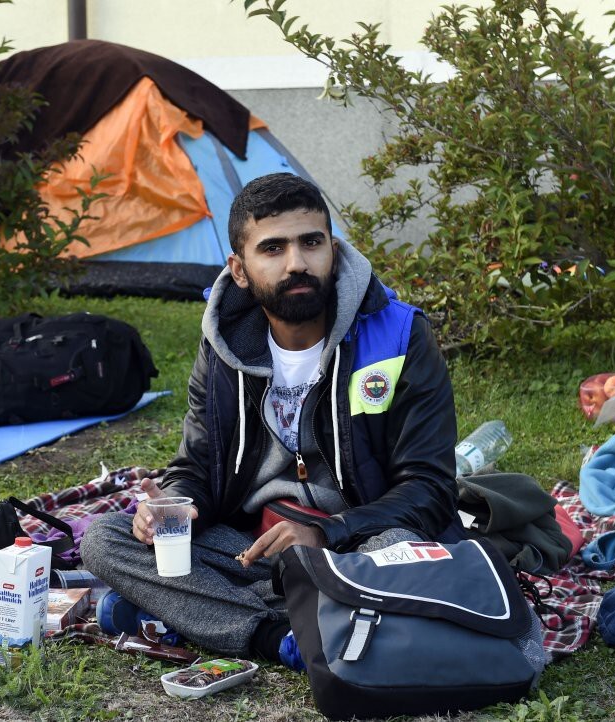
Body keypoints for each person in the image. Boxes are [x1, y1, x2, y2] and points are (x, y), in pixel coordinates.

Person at [80, 172, 462, 670]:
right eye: (273, 248)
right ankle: (275, 633)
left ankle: (193, 610)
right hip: (253, 549)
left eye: (311, 243)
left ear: (334, 249)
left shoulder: (400, 334)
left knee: (404, 552)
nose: (297, 263)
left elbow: (430, 488)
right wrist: (175, 508)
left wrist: (329, 533)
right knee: (105, 538)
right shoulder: (222, 346)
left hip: (359, 543)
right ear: (240, 269)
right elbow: (197, 466)